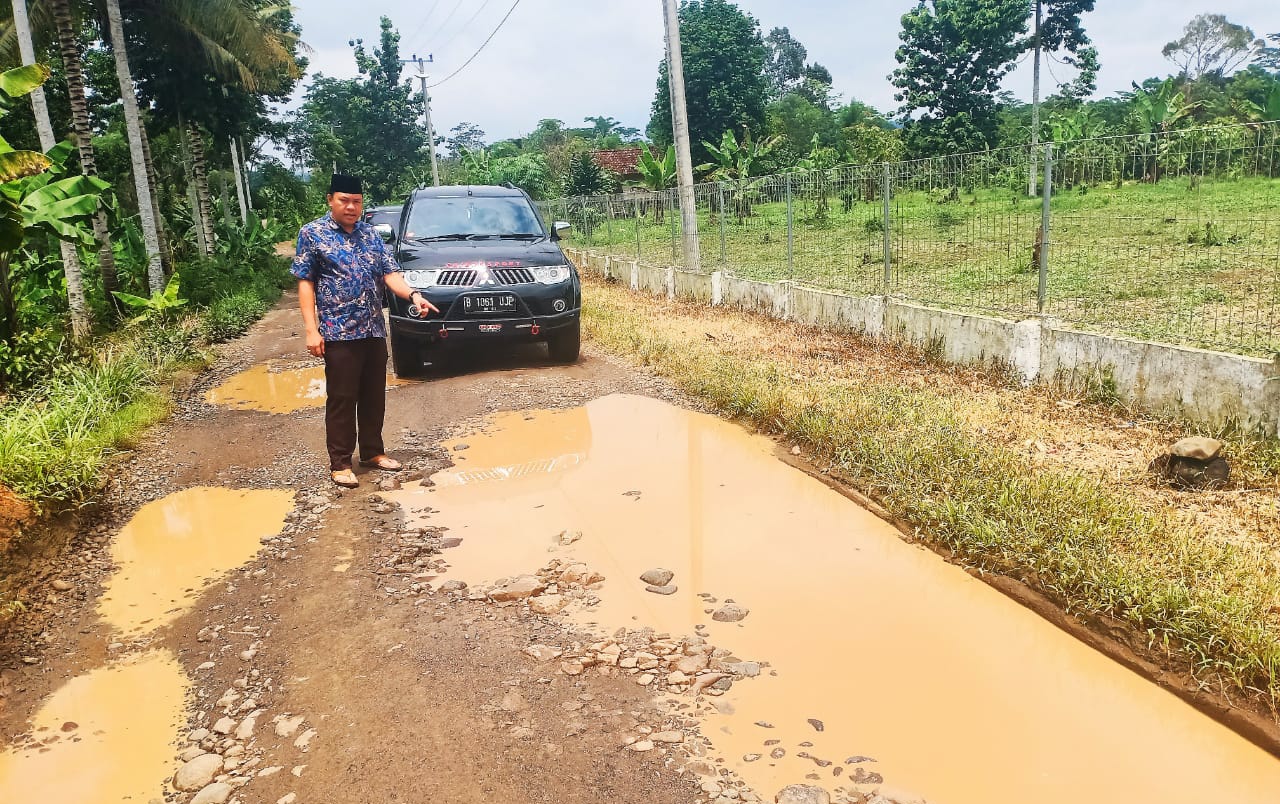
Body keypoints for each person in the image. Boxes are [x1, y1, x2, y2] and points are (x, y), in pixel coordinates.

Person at [291, 174, 438, 488]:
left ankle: (372, 452)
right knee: (343, 398)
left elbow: (390, 274)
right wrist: (310, 330)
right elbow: (306, 282)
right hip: (337, 331)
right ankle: (341, 462)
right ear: (330, 199)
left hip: (372, 328)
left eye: (356, 201)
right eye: (344, 200)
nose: (351, 207)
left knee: (374, 396)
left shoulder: (371, 235)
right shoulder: (313, 234)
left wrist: (413, 294)